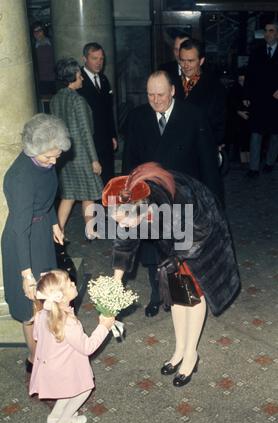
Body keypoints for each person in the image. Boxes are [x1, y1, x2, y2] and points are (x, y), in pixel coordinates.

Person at [102, 162, 240, 387]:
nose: (122, 225)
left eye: (124, 220)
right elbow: (124, 240)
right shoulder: (130, 199)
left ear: (143, 208)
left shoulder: (180, 199)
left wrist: (178, 257)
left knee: (192, 293)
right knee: (175, 290)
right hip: (175, 236)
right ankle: (179, 350)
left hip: (201, 235)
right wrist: (117, 279)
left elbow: (200, 231)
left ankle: (191, 355)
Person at [122, 70, 222, 317]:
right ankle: (157, 295)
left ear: (173, 91)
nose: (155, 101)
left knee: (181, 253)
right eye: (150, 95)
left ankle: (182, 298)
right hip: (150, 200)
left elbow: (209, 166)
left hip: (183, 199)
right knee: (153, 251)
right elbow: (129, 164)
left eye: (161, 95)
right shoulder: (137, 118)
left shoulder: (194, 116)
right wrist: (128, 199)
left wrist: (213, 206)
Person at [1, 114, 71, 372]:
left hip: (41, 232)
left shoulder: (46, 163)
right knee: (29, 306)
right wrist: (26, 274)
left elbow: (47, 198)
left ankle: (48, 351)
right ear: (33, 150)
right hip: (23, 240)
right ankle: (35, 360)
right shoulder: (20, 178)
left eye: (56, 156)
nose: (53, 161)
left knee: (48, 299)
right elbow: (20, 229)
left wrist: (54, 223)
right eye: (48, 157)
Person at [29, 270, 115, 423]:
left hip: (51, 366)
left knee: (68, 389)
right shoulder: (68, 322)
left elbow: (36, 336)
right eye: (69, 283)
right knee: (83, 389)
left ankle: (55, 415)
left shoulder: (42, 314)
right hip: (65, 368)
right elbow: (87, 347)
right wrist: (104, 326)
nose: (74, 283)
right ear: (60, 296)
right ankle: (64, 421)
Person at [50, 58, 103, 239]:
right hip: (81, 155)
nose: (82, 78)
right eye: (80, 75)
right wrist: (94, 160)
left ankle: (58, 231)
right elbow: (86, 132)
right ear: (72, 77)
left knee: (70, 194)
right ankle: (90, 229)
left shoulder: (56, 99)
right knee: (89, 191)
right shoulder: (77, 101)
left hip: (64, 155)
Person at [78, 42, 117, 186]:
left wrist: (113, 135)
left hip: (105, 139)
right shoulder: (78, 81)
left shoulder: (104, 79)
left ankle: (108, 206)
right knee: (92, 182)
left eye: (101, 59)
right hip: (90, 139)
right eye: (95, 58)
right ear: (84, 59)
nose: (99, 62)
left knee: (108, 177)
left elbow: (108, 111)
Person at [243, 21, 278, 177]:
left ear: (277, 34)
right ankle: (254, 167)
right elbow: (249, 75)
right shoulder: (257, 52)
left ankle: (270, 162)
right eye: (266, 31)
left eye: (271, 31)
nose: (267, 34)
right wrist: (246, 95)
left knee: (275, 134)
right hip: (258, 99)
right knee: (256, 133)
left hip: (276, 101)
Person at [179, 38, 227, 151]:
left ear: (201, 61)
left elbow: (220, 121)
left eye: (190, 61)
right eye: (182, 60)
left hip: (202, 147)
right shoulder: (170, 83)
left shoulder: (215, 87)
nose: (185, 65)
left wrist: (215, 143)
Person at [159, 33, 191, 99]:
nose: (179, 54)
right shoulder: (163, 70)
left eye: (182, 49)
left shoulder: (206, 72)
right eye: (176, 49)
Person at [31, 21, 56, 96]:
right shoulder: (34, 45)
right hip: (39, 81)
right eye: (34, 31)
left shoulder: (50, 43)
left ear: (44, 31)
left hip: (51, 80)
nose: (37, 33)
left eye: (39, 30)